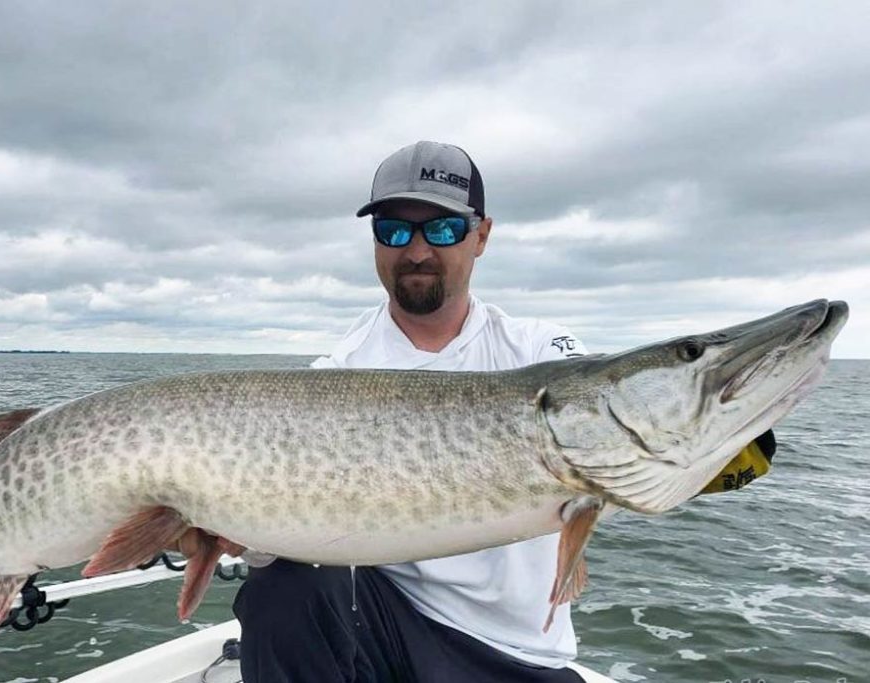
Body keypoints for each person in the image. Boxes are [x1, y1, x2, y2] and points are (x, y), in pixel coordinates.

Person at [231, 141, 775, 682]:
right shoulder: (337, 373)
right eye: (394, 230)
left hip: (517, 656)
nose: (416, 250)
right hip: (387, 628)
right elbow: (282, 531)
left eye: (442, 229)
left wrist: (717, 443)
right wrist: (224, 527)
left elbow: (613, 433)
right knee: (287, 586)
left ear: (481, 236)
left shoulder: (540, 350)